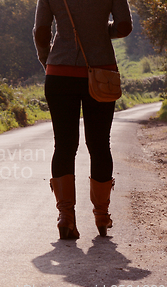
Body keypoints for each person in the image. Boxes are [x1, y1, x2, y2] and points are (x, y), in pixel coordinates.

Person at [33, 0, 133, 239]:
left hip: (59, 73)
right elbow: (124, 26)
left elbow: (41, 30)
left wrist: (47, 58)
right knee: (99, 145)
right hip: (102, 72)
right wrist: (100, 30)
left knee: (64, 146)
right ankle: (101, 216)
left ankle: (66, 216)